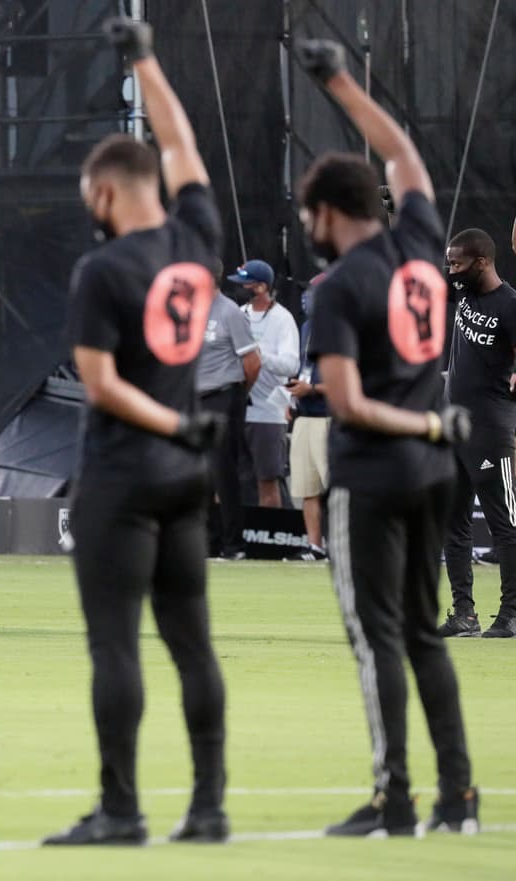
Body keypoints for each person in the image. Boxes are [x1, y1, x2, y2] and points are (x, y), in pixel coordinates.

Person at [42, 19, 229, 847]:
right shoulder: (198, 240)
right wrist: (145, 57)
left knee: (116, 645)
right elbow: (181, 139)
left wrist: (171, 421)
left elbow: (103, 383)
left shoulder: (104, 269)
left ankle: (121, 809)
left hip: (123, 473)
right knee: (193, 642)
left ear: (108, 192)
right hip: (187, 475)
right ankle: (209, 806)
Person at [299, 39, 479, 836]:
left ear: (331, 213)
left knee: (378, 642)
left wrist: (428, 417)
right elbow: (403, 151)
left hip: (375, 473)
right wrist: (339, 80)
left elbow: (348, 402)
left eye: (311, 214)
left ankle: (392, 798)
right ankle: (459, 797)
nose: (309, 226)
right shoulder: (420, 249)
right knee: (424, 634)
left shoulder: (338, 288)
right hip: (434, 472)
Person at [438, 228, 516, 638]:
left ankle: (512, 613)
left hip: (491, 430)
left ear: (482, 262)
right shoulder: (464, 293)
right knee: (454, 523)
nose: (451, 270)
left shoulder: (510, 305)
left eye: (457, 263)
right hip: (454, 428)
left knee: (506, 525)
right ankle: (464, 614)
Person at [197, 285, 260, 559]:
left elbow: (253, 362)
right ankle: (209, 543)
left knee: (224, 473)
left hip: (224, 395)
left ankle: (234, 545)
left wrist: (238, 394)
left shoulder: (229, 311)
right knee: (201, 475)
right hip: (196, 398)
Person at [229, 259, 299, 508]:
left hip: (268, 413)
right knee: (236, 479)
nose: (239, 288)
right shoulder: (237, 314)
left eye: (244, 283)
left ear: (260, 287)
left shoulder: (282, 319)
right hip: (238, 410)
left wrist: (258, 355)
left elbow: (292, 365)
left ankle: (272, 538)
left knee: (267, 481)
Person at [285, 276, 330, 561]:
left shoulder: (346, 330)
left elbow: (351, 382)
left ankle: (346, 546)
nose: (308, 297)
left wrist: (312, 388)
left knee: (336, 487)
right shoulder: (307, 327)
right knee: (306, 487)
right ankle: (315, 546)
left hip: (330, 416)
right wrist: (293, 396)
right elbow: (305, 368)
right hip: (305, 414)